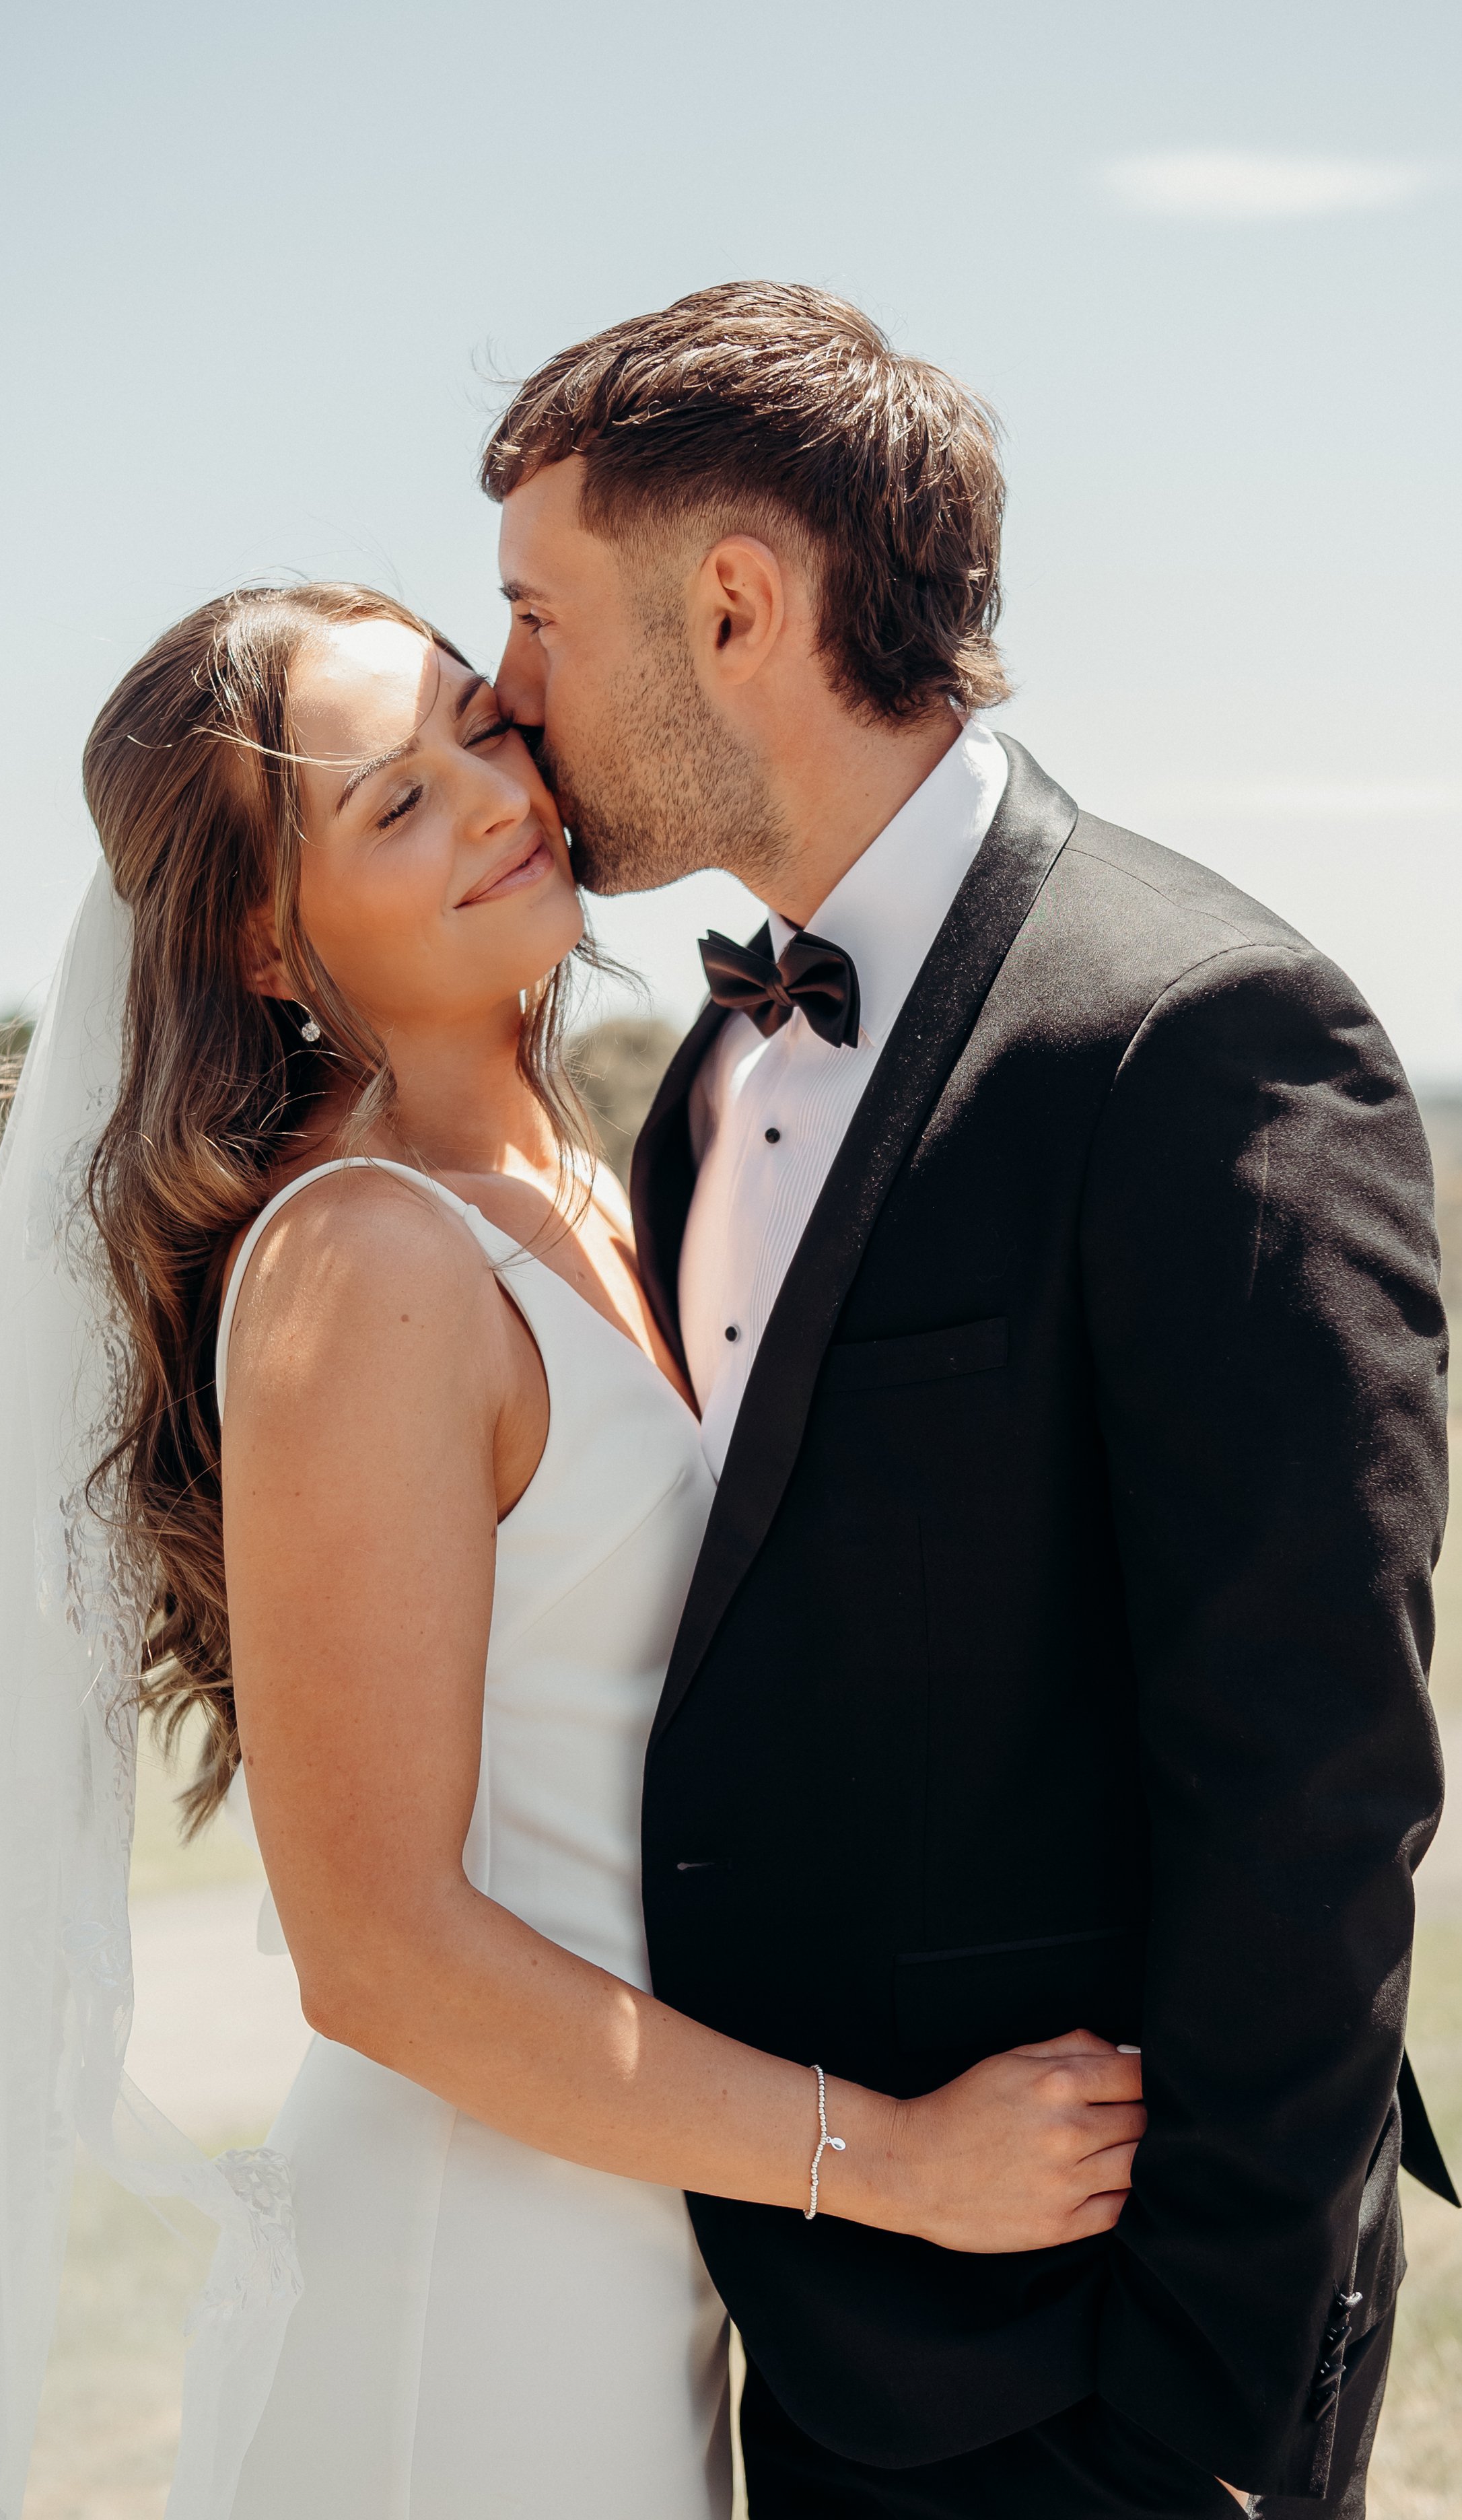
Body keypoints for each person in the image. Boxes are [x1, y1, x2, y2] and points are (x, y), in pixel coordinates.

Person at [0, 576, 1144, 2519]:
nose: (498, 798)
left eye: (476, 733)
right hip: (478, 2286)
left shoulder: (590, 1162)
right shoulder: (366, 1261)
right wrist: (897, 2161)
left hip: (647, 2219)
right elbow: (383, 1961)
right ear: (263, 936)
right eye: (392, 806)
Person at [483, 279, 1456, 2520]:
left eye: (535, 616)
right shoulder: (711, 1073)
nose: (499, 693)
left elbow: (1308, 1787)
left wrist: (1201, 2416)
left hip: (1091, 2369)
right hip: (788, 2291)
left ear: (733, 604)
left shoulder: (1198, 1031)